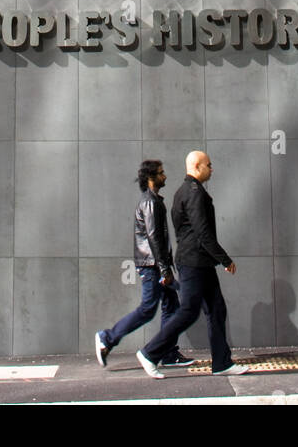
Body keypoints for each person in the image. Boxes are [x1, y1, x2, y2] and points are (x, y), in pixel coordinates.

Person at [136, 150, 248, 378]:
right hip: (194, 262)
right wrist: (225, 259)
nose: (212, 168)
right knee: (188, 311)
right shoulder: (194, 193)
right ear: (197, 166)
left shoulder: (181, 192)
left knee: (216, 309)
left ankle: (222, 363)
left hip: (200, 262)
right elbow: (203, 232)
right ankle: (150, 353)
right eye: (208, 164)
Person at [95, 160, 191, 368]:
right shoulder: (150, 202)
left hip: (155, 264)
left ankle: (167, 353)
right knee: (148, 308)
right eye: (161, 173)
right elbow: (154, 237)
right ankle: (107, 338)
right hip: (151, 265)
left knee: (171, 306)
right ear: (151, 177)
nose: (165, 176)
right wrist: (165, 270)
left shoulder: (154, 200)